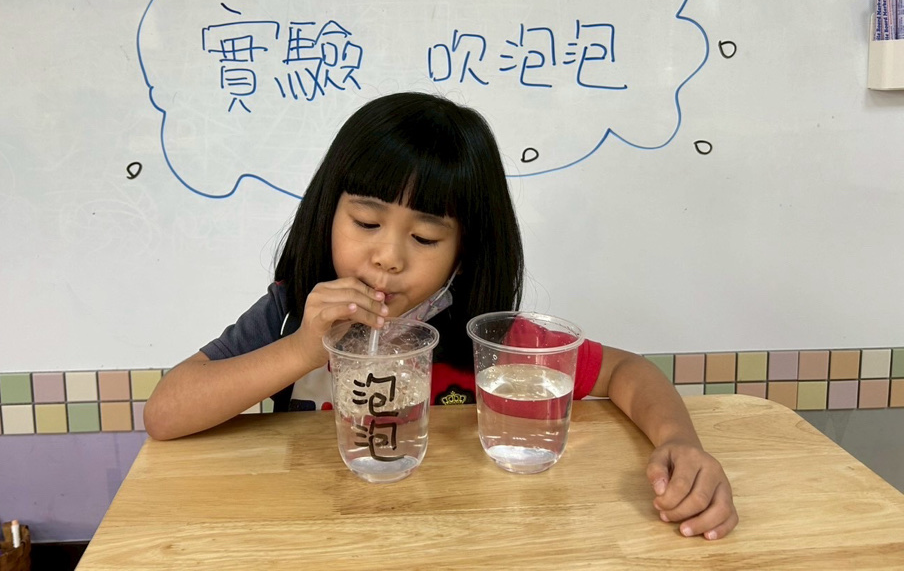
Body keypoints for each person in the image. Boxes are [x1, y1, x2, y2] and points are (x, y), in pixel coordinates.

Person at [143, 92, 738, 540]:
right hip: (310, 534)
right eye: (366, 223)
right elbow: (165, 413)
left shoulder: (485, 336)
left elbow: (629, 372)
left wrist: (680, 442)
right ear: (328, 212)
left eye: (425, 238)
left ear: (464, 250)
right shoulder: (290, 310)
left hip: (451, 537)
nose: (388, 257)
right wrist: (301, 349)